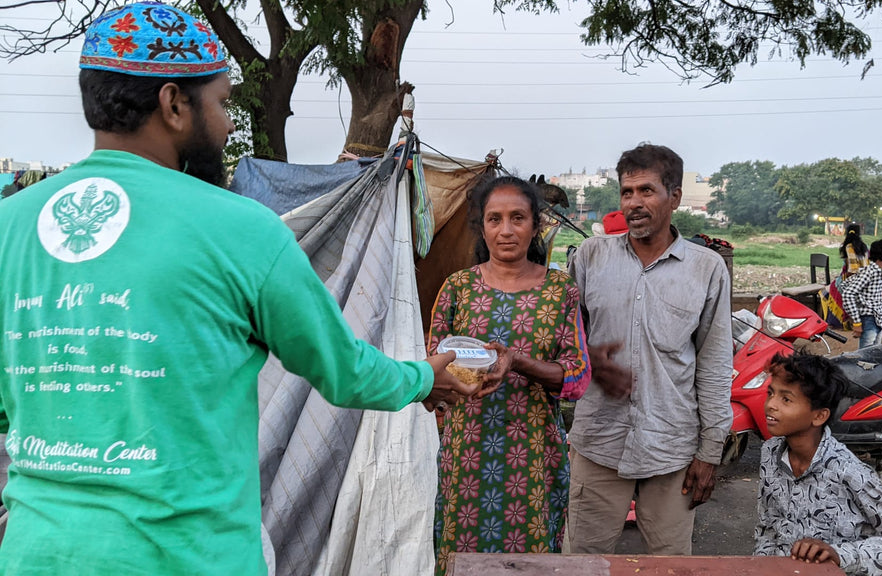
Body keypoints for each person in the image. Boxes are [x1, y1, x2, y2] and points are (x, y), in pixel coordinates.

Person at [0, 4, 474, 574]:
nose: (227, 125)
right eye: (222, 102)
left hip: (38, 554)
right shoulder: (240, 229)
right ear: (174, 104)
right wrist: (422, 377)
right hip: (188, 558)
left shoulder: (10, 226)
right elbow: (343, 369)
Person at [563, 144, 733, 555]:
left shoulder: (706, 267)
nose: (634, 203)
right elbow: (565, 340)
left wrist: (710, 452)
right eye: (627, 192)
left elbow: (713, 363)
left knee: (670, 565)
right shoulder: (590, 257)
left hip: (672, 447)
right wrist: (591, 365)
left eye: (646, 191)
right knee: (581, 563)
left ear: (674, 196)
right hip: (598, 441)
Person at [429, 176, 591, 574]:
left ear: (536, 225)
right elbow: (430, 369)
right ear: (482, 227)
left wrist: (518, 362)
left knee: (529, 563)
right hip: (467, 454)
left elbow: (577, 378)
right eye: (494, 219)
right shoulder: (457, 289)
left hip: (534, 457)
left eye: (517, 218)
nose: (505, 230)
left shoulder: (561, 290)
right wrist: (450, 387)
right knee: (462, 562)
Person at [754, 352, 882, 576]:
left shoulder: (847, 470)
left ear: (819, 416)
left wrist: (839, 555)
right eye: (771, 393)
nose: (771, 405)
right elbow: (768, 527)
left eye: (786, 399)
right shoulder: (770, 453)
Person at [840, 239, 882, 348]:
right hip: (869, 318)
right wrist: (857, 322)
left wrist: (876, 294)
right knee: (866, 354)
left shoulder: (874, 270)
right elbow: (848, 293)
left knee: (875, 351)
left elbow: (845, 284)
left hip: (878, 318)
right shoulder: (870, 271)